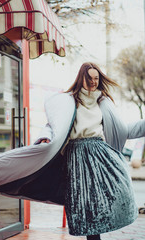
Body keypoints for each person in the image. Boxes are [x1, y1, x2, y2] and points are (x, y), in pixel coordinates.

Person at [41, 62, 138, 240]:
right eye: (89, 78)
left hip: (100, 154)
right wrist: (44, 138)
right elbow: (51, 124)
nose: (93, 82)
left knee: (103, 201)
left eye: (96, 78)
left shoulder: (103, 102)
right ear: (81, 78)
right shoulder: (69, 100)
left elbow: (123, 128)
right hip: (76, 156)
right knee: (83, 205)